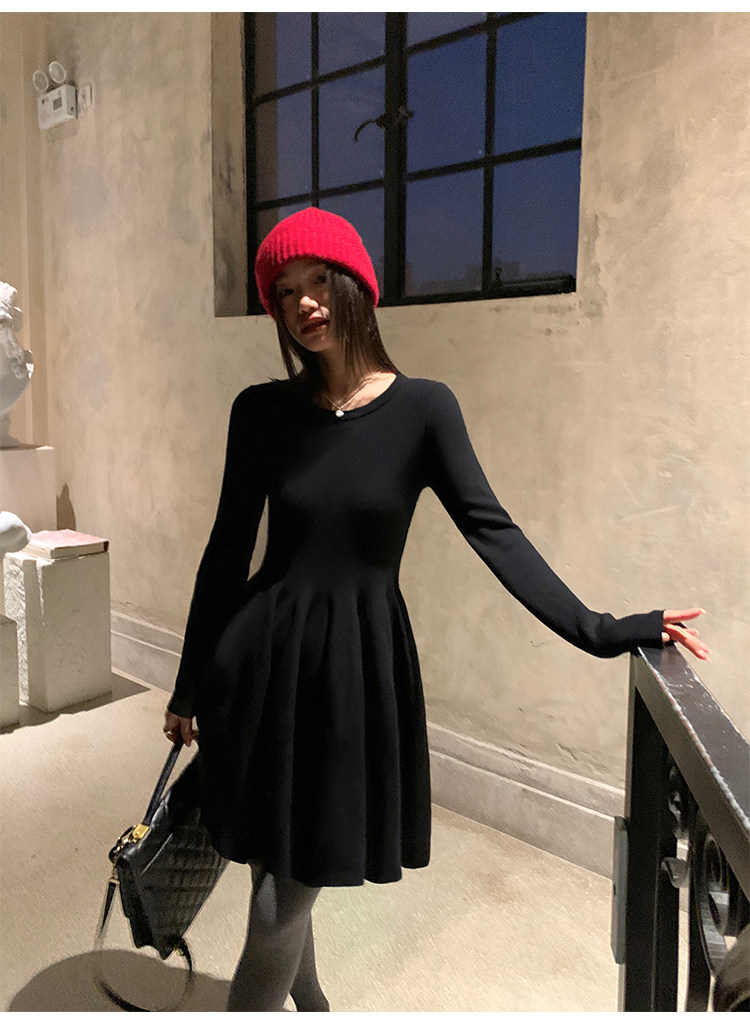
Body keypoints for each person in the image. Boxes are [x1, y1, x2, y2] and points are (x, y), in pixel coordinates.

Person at [163, 207, 709, 1012]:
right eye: (285, 291)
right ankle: (309, 1003)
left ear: (357, 286)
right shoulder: (260, 412)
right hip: (257, 666)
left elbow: (495, 533)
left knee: (289, 884)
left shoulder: (424, 410)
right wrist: (187, 686)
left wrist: (601, 629)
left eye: (320, 281)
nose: (304, 302)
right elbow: (225, 553)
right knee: (275, 873)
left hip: (350, 673)